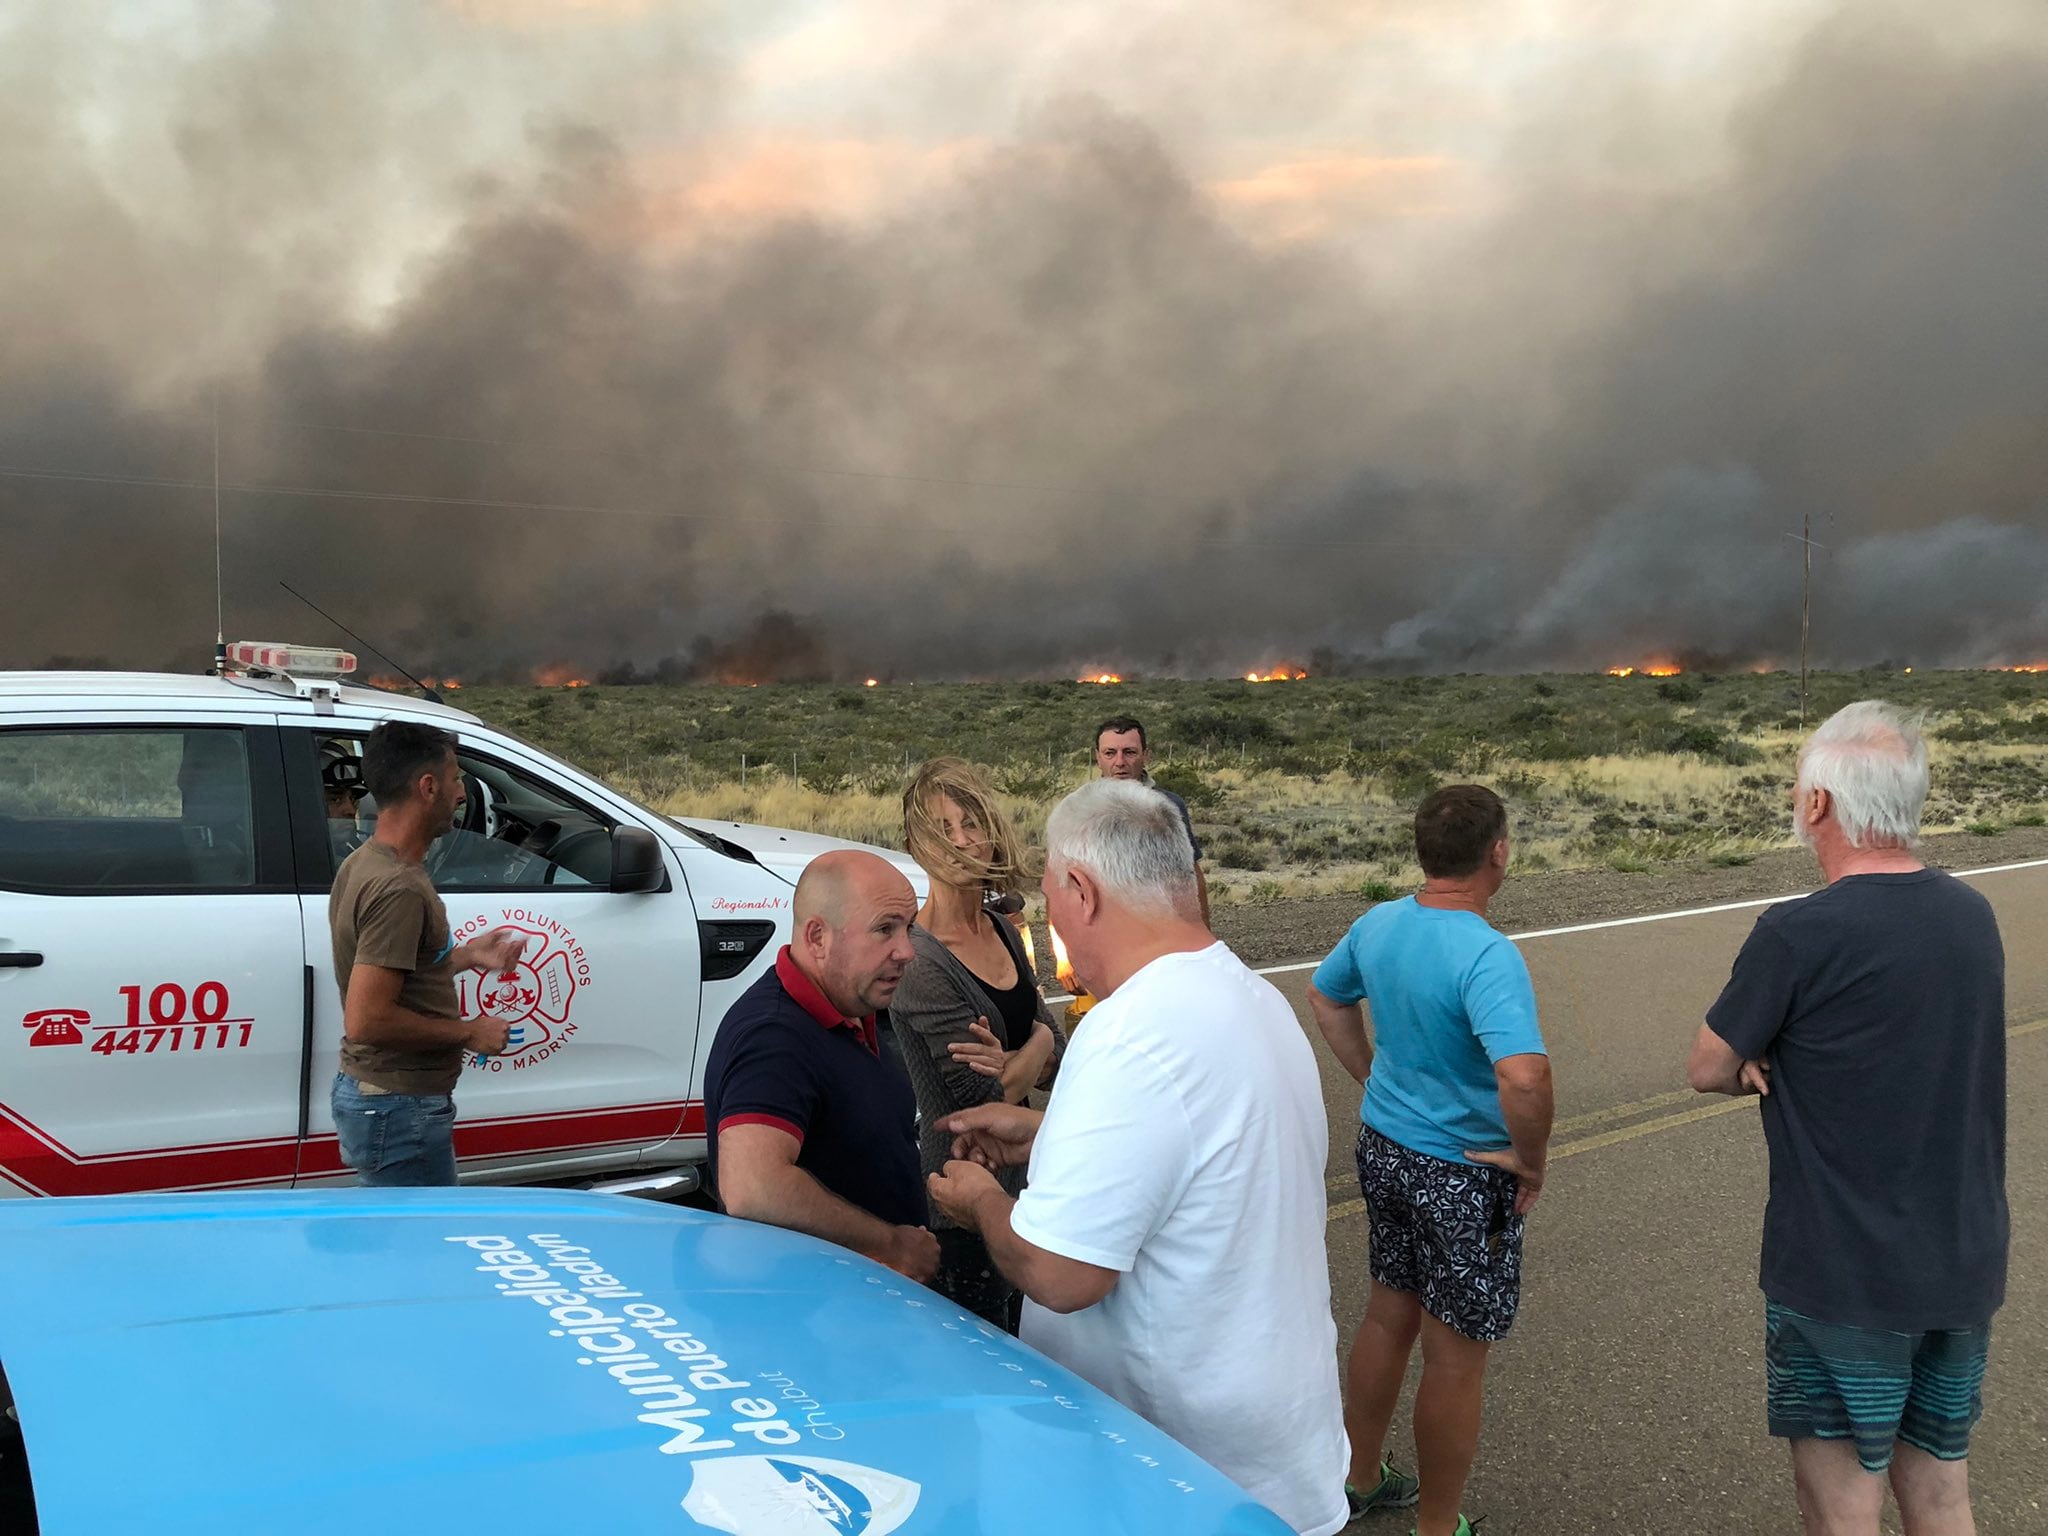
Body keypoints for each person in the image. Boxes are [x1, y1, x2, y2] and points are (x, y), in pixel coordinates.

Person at [927, 779, 1347, 1536]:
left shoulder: (1129, 1033)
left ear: (1081, 890)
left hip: (1179, 1472)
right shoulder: (1251, 997)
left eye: (1052, 896)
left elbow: (1061, 1275)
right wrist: (1049, 1132)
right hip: (1270, 1443)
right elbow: (1191, 1156)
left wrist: (982, 1204)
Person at [1688, 702, 2006, 1536]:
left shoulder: (1799, 933)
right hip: (1960, 1260)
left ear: (1820, 805)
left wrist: (1763, 1052)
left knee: (1840, 1506)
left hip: (1842, 1274)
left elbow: (1708, 1065)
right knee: (1940, 1493)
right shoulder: (1973, 918)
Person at [1307, 783, 1551, 1536]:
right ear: (1497, 852)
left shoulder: (1379, 924)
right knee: (1456, 1356)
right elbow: (1524, 1074)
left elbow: (1326, 997)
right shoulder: (1486, 954)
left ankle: (1358, 1474)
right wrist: (1529, 1159)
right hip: (1461, 1168)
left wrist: (1370, 1075)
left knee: (1389, 1314)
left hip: (1385, 1148)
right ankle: (1439, 1525)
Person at [704, 849, 938, 1285]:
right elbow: (752, 1186)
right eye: (884, 929)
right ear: (817, 938)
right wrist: (890, 1245)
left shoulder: (847, 1003)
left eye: (909, 928)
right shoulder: (775, 1035)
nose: (906, 951)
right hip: (816, 1314)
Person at [890, 758, 1065, 1328]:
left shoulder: (1001, 929)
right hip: (960, 1204)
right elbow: (978, 1101)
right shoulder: (922, 960)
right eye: (943, 830)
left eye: (972, 823)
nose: (963, 841)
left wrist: (1030, 1054)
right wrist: (1035, 1043)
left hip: (1026, 1190)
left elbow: (1055, 1059)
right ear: (917, 846)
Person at [329, 720, 527, 1186]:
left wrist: (468, 956)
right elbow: (367, 1019)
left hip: (387, 1102)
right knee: (417, 1251)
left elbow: (395, 968)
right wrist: (468, 1033)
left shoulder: (365, 862)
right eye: (456, 778)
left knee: (396, 1246)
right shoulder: (397, 887)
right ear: (428, 786)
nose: (462, 793)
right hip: (400, 1108)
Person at [1094, 714, 1209, 922]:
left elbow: (1190, 873)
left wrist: (1203, 935)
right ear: (1098, 757)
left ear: (1145, 755)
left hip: (1162, 925)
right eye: (1110, 753)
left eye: (1129, 752)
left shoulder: (1170, 806)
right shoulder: (1081, 811)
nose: (1120, 762)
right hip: (1107, 929)